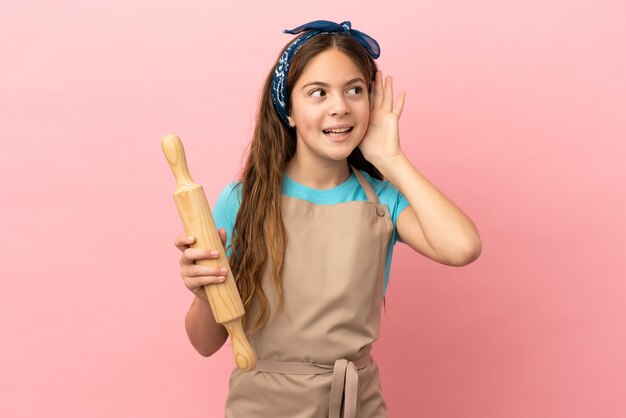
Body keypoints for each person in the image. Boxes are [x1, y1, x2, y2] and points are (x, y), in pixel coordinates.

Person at [173, 20, 481, 418]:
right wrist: (204, 295)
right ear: (288, 110)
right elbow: (205, 343)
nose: (340, 106)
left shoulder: (381, 198)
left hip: (356, 404)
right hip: (261, 407)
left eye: (355, 90)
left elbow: (463, 247)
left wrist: (390, 158)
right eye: (318, 93)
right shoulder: (242, 201)